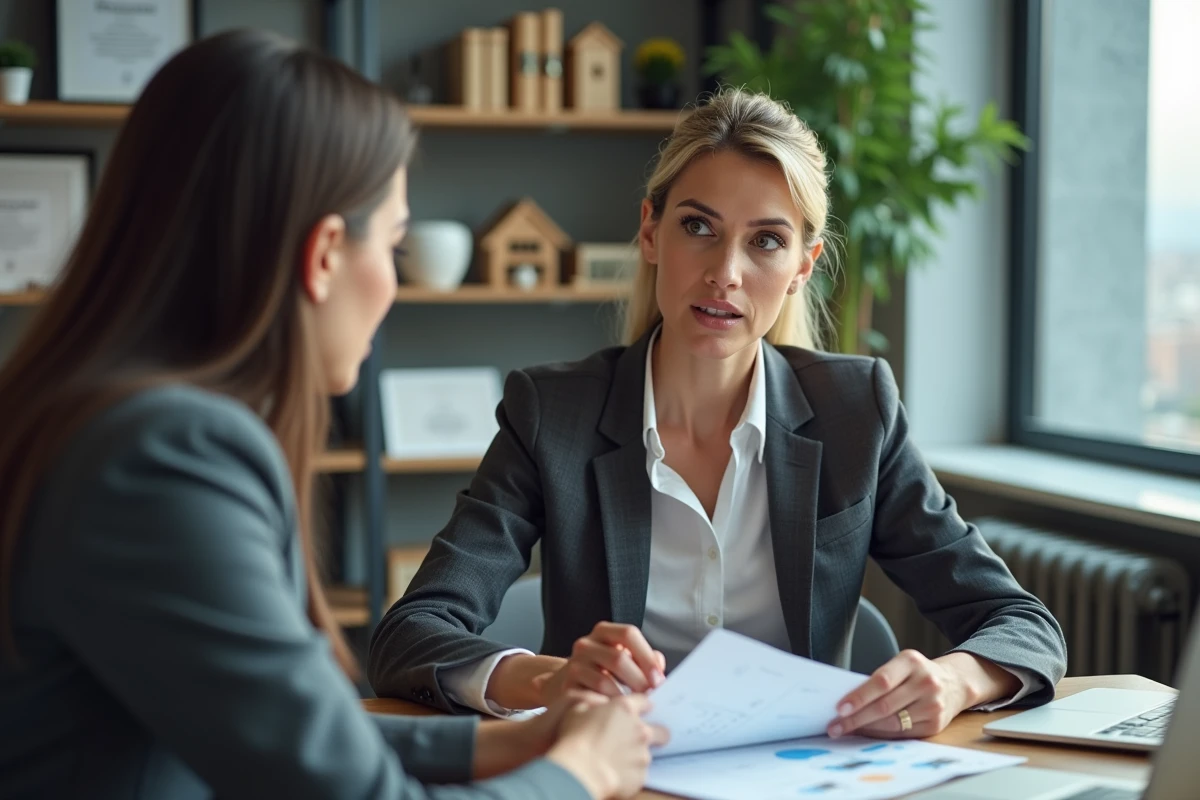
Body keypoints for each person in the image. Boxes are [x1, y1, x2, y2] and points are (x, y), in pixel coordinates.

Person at [0, 29, 666, 800]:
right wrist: (578, 773)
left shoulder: (95, 414)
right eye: (392, 245)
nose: (393, 283)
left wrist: (519, 742)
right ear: (322, 257)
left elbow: (287, 732)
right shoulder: (165, 457)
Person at [367, 87, 1068, 740]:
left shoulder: (858, 412)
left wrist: (953, 678)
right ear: (650, 232)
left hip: (797, 776)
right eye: (698, 226)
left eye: (766, 241)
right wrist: (551, 679)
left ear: (803, 265)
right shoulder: (553, 415)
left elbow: (1020, 623)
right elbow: (413, 632)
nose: (726, 272)